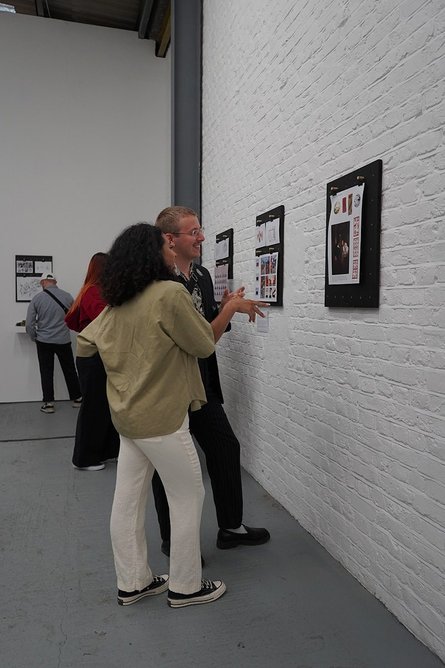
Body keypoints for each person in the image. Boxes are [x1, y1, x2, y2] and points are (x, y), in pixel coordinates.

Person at [76, 223, 227, 608]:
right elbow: (204, 344)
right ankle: (186, 586)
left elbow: (84, 344)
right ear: (152, 253)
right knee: (188, 496)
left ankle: (134, 583)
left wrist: (124, 368)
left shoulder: (119, 300)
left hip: (129, 419)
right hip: (162, 419)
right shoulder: (169, 294)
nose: (170, 249)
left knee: (127, 504)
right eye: (165, 244)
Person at [153, 206, 271, 555]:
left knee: (224, 447)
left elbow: (206, 327)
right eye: (194, 232)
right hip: (171, 387)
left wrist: (226, 307)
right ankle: (173, 542)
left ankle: (231, 527)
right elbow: (199, 337)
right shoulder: (159, 282)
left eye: (201, 230)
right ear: (171, 240)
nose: (202, 237)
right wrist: (229, 311)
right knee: (170, 466)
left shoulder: (202, 275)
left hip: (203, 383)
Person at [65, 253, 120, 471]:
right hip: (93, 357)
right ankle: (84, 458)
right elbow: (107, 320)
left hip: (98, 355)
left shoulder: (92, 291)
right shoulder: (94, 292)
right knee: (94, 407)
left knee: (105, 406)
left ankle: (106, 451)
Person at [26, 272, 81, 413]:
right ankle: (77, 399)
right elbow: (75, 316)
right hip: (63, 340)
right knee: (69, 369)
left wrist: (34, 337)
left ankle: (49, 404)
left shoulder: (37, 299)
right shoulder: (68, 296)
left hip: (44, 341)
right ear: (55, 282)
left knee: (46, 371)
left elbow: (29, 324)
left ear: (43, 282)